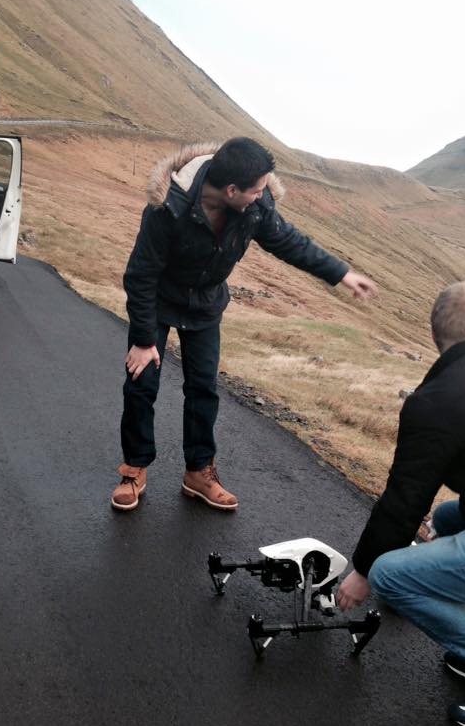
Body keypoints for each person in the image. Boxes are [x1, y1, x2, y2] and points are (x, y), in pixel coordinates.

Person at [111, 137, 376, 512]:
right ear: (232, 190)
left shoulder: (254, 208)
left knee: (203, 389)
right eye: (257, 190)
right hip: (158, 303)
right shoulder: (168, 208)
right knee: (141, 385)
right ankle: (134, 468)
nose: (263, 196)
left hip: (205, 306)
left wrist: (341, 274)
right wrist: (142, 339)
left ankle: (199, 472)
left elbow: (290, 242)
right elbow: (140, 275)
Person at [337, 281, 465, 726]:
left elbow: (404, 500)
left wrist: (362, 571)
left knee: (391, 575)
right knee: (450, 518)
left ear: (435, 338)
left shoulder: (433, 401)